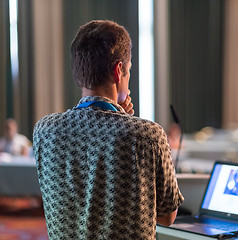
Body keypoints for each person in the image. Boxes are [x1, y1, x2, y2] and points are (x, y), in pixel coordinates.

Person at [33, 20, 183, 239]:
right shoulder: (147, 135)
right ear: (118, 70)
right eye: (128, 70)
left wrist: (118, 114)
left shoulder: (44, 131)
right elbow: (167, 217)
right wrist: (122, 117)